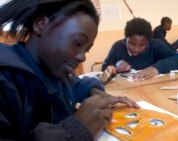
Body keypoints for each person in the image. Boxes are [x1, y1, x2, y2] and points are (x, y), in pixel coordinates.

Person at [0, 0, 139, 141]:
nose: (82, 57)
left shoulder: (56, 71)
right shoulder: (5, 80)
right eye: (77, 42)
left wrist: (95, 91)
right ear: (41, 25)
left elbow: (78, 84)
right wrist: (76, 130)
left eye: (86, 50)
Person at [102, 18, 178, 80]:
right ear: (126, 38)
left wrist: (156, 68)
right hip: (126, 91)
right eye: (132, 44)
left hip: (152, 89)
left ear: (148, 41)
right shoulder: (118, 46)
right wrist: (115, 67)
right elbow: (104, 68)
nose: (136, 49)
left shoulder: (155, 44)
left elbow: (177, 60)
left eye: (142, 45)